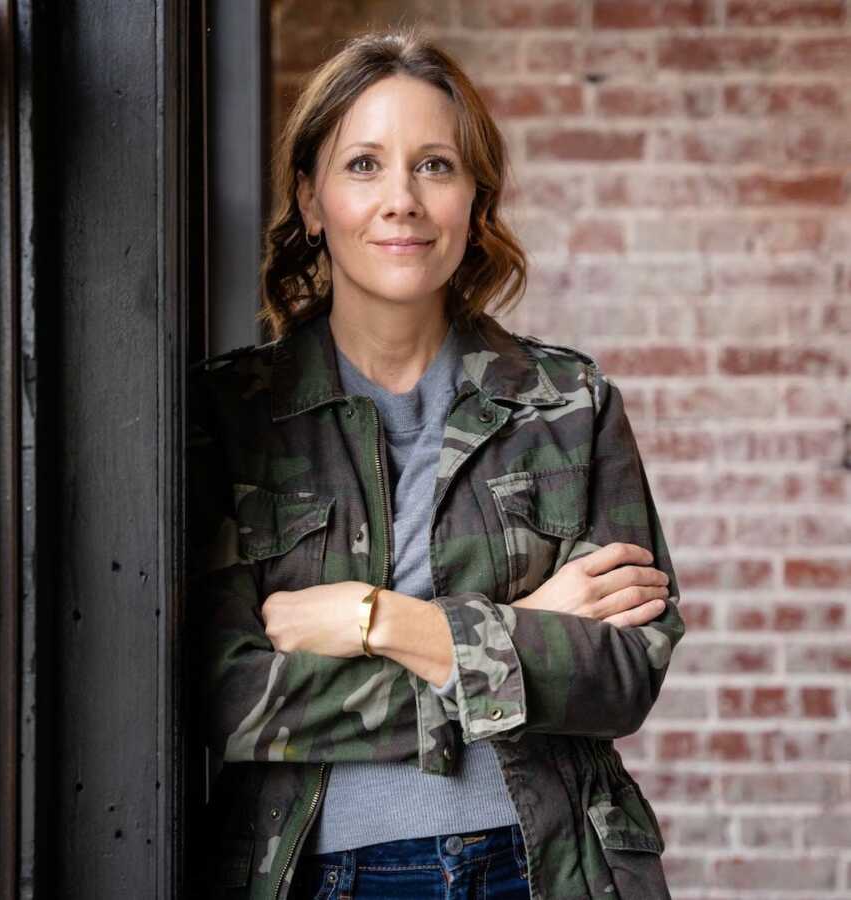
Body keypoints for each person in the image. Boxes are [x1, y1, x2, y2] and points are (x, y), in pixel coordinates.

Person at [188, 26, 684, 900]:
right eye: (365, 165)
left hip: (546, 869)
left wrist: (379, 620)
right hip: (315, 873)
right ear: (310, 201)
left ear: (473, 201)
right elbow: (230, 695)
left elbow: (622, 673)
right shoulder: (232, 413)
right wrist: (516, 635)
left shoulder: (568, 402)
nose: (403, 200)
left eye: (436, 166)